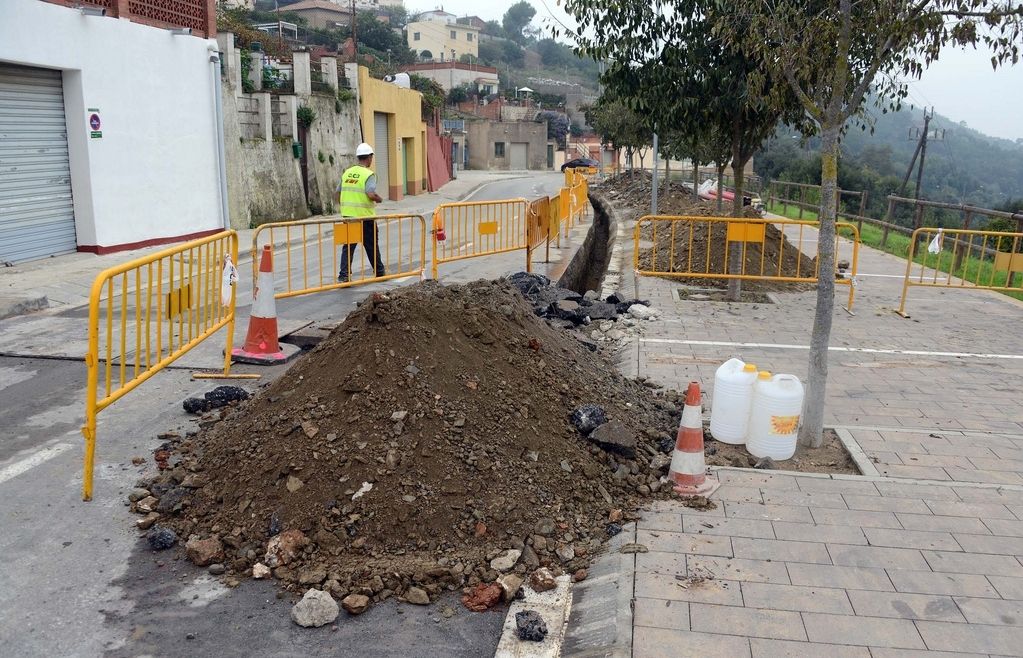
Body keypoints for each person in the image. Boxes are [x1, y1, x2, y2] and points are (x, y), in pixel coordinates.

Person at [337, 142, 384, 281]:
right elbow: (370, 194)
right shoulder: (369, 174)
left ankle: (344, 275)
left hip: (348, 216)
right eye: (371, 157)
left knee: (348, 247)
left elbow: (337, 193)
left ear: (358, 157)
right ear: (369, 157)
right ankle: (380, 271)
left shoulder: (347, 172)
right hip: (365, 218)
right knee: (371, 245)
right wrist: (379, 199)